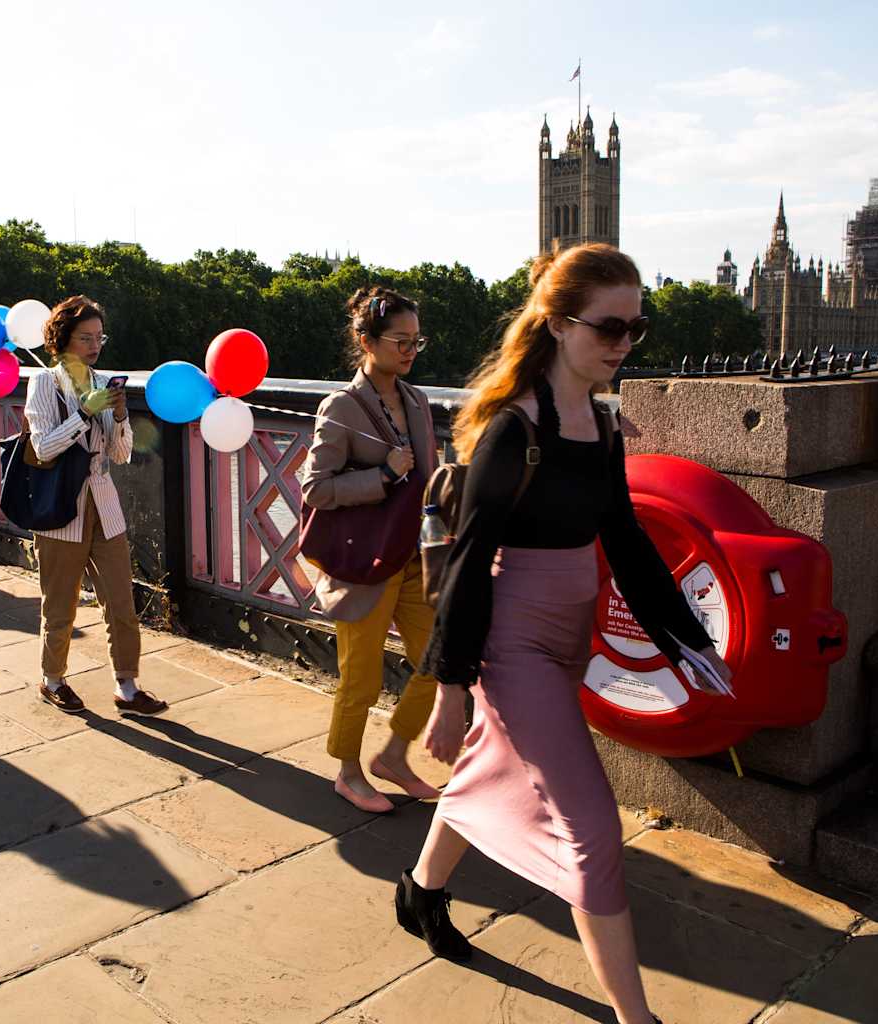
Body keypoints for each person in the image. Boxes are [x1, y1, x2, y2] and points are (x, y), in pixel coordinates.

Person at [394, 244, 731, 1024]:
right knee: (592, 829)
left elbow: (627, 541)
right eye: (609, 326)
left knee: (492, 766)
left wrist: (689, 640)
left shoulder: (604, 425)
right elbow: (471, 565)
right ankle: (634, 1018)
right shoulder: (514, 431)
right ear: (557, 322)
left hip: (570, 633)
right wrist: (450, 692)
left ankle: (420, 891)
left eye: (636, 328)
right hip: (511, 641)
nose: (623, 343)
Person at [301, 287, 441, 813]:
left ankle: (395, 756)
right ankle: (348, 771)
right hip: (364, 562)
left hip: (413, 556)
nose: (409, 350)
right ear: (366, 341)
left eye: (416, 341)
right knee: (361, 677)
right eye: (399, 340)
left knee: (438, 660)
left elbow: (427, 477)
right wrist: (382, 476)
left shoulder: (418, 400)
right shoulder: (341, 406)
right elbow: (315, 488)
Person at [23, 295, 165, 717]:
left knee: (121, 601)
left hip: (104, 504)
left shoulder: (104, 382)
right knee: (61, 603)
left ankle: (127, 685)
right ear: (63, 337)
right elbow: (43, 446)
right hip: (60, 509)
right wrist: (84, 413)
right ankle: (53, 679)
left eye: (100, 337)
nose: (94, 345)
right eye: (86, 337)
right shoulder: (44, 384)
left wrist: (120, 418)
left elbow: (120, 455)